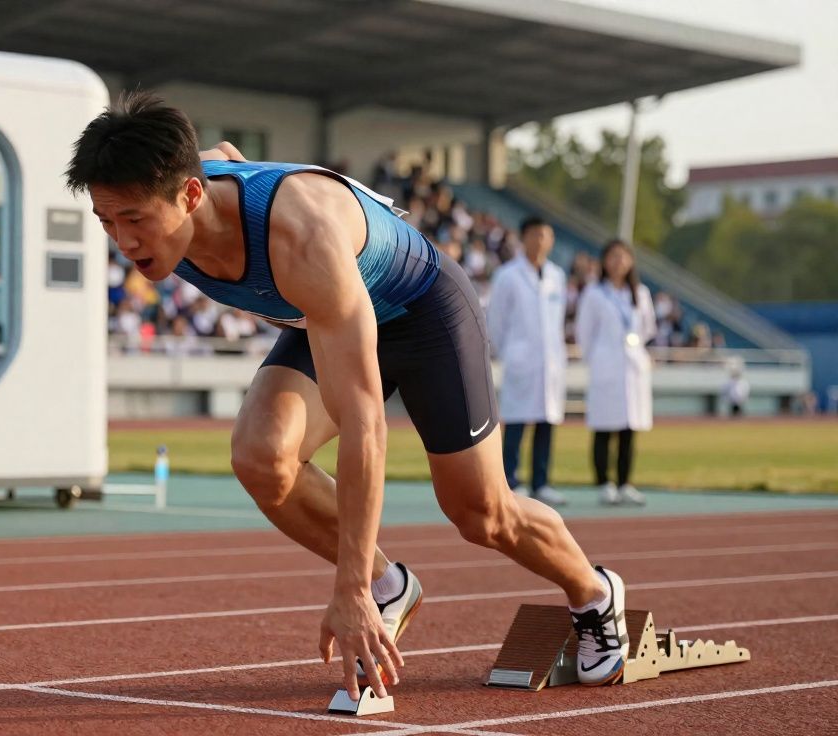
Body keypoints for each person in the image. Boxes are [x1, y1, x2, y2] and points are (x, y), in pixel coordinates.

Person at [66, 93, 630, 700]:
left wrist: (349, 588)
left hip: (421, 313)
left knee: (480, 512)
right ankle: (392, 585)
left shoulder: (299, 238)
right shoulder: (180, 194)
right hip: (328, 314)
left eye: (135, 220)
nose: (123, 241)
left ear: (191, 196)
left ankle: (595, 594)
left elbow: (365, 424)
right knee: (262, 456)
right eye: (107, 222)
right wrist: (367, 578)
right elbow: (224, 154)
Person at [486, 216, 568, 507]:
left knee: (547, 422)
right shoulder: (508, 275)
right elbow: (496, 320)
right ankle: (510, 479)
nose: (541, 241)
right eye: (535, 235)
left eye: (546, 235)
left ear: (552, 240)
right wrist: (509, 351)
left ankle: (541, 482)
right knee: (517, 422)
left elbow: (558, 321)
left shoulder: (557, 276)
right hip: (521, 358)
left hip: (550, 360)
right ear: (524, 238)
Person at [575, 239, 656, 506]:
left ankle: (625, 483)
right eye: (613, 256)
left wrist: (634, 348)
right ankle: (604, 483)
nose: (618, 262)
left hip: (632, 366)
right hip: (606, 364)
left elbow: (648, 328)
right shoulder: (595, 293)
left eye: (623, 256)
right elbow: (584, 332)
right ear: (604, 262)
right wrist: (597, 358)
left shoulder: (640, 293)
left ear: (631, 261)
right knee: (603, 427)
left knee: (628, 430)